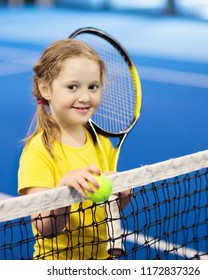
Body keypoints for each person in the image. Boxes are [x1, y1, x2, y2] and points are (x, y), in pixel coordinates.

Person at [17, 39, 130, 260]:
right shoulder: (38, 151)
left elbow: (109, 206)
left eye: (93, 87)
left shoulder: (101, 142)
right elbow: (46, 227)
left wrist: (123, 192)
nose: (85, 97)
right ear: (45, 88)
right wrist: (63, 191)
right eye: (72, 87)